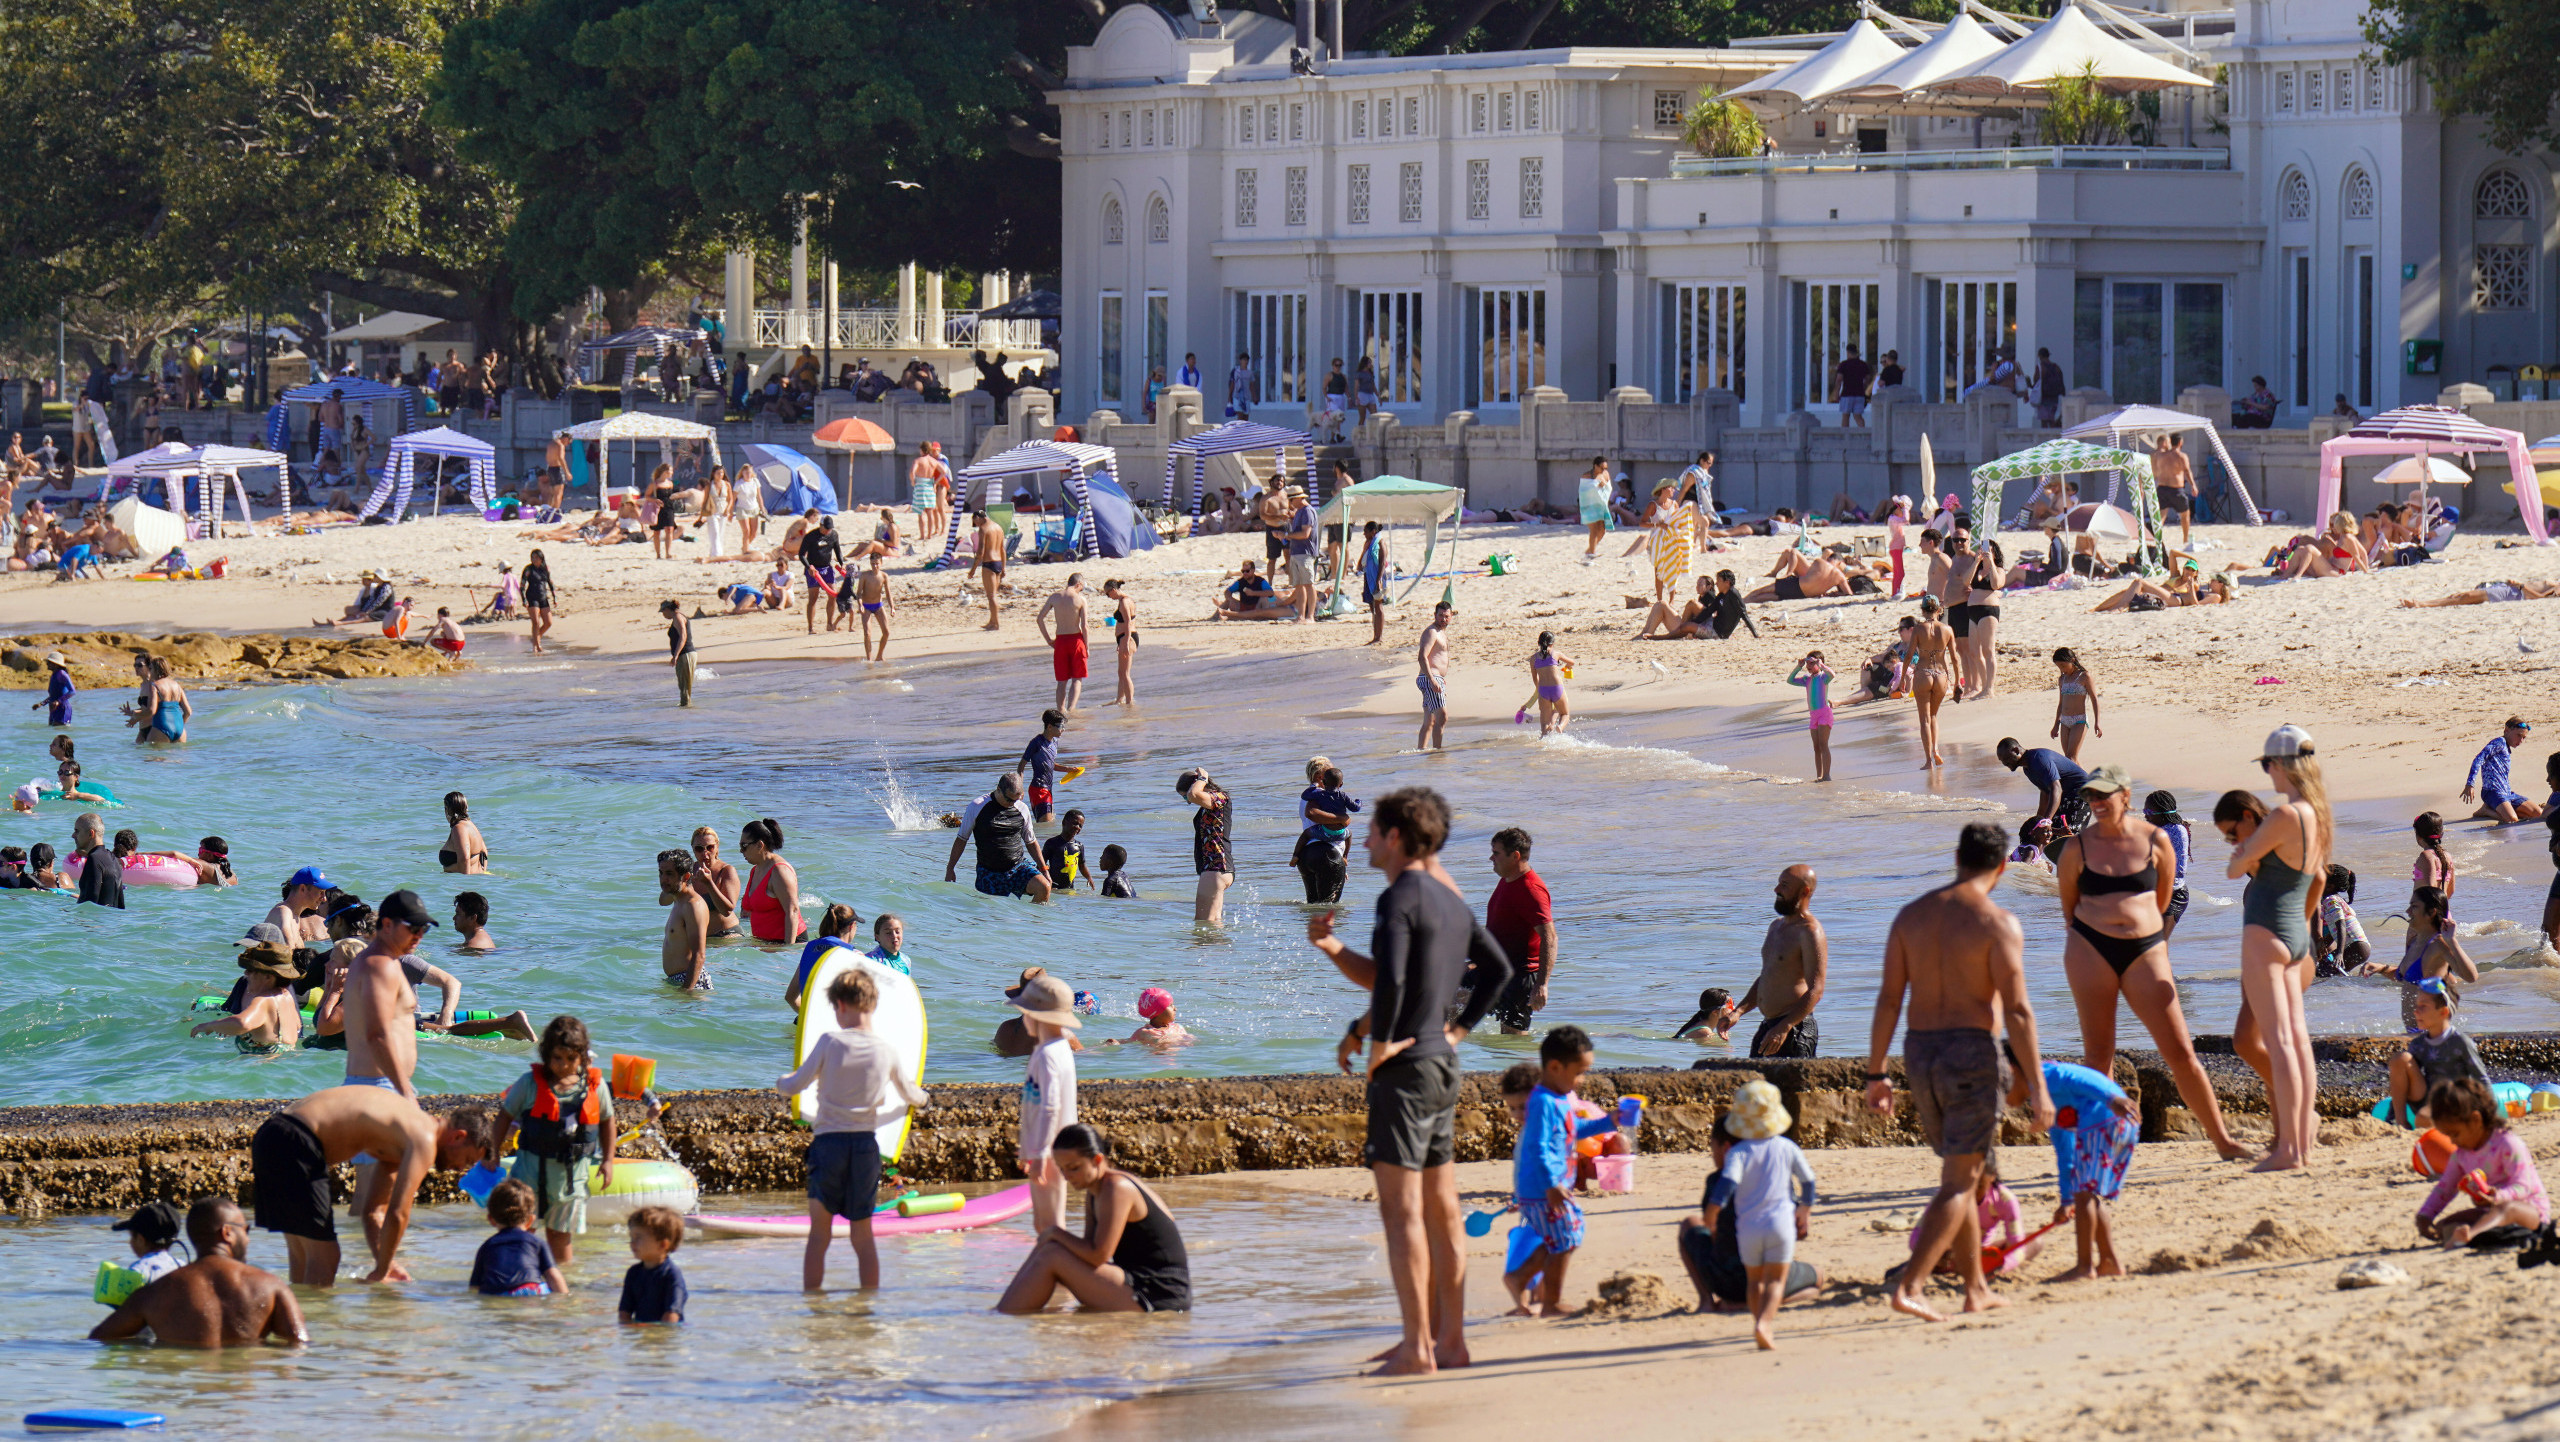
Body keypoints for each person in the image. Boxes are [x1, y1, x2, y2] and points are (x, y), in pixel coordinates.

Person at [1307, 787, 1512, 1375]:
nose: (1364, 838)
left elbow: (1393, 980)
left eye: (1371, 830)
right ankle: (1450, 1342)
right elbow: (1493, 969)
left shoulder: (1398, 896)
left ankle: (1416, 1347)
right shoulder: (1448, 900)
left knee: (1402, 1217)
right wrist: (1458, 1032)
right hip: (1441, 1065)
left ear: (1396, 837)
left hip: (1405, 1070)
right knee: (1443, 1211)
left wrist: (1377, 1046)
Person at [1865, 820, 2052, 1323]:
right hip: (1971, 1053)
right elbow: (2018, 1011)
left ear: (1956, 857)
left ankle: (1975, 1288)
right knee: (1959, 1182)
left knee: (1965, 1175)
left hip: (1919, 1052)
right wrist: (2036, 1084)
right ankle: (1911, 1285)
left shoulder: (1910, 917)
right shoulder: (1998, 923)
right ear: (2000, 867)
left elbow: (1888, 999)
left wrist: (1876, 1073)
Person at [2056, 765, 2246, 1159]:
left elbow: (2163, 900)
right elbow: (2069, 910)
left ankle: (2224, 1142)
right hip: (2090, 950)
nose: (2097, 803)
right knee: (2098, 1055)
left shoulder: (2156, 839)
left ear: (2125, 795)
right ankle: (2098, 1145)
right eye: (2092, 796)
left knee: (2179, 1052)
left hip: (2144, 949)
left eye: (2104, 795)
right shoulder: (2077, 847)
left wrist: (2137, 931)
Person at [2216, 723, 2330, 1172]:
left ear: (2281, 765)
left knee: (2282, 1046)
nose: (2267, 774)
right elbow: (2316, 878)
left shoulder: (2286, 816)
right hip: (2296, 934)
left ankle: (2289, 1150)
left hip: (2267, 932)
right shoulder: (2317, 816)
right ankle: (2298, 1146)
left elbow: (2233, 867)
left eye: (2267, 765)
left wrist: (2242, 850)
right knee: (2296, 1044)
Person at [250, 1084, 498, 1285]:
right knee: (326, 1256)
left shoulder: (402, 1136)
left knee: (303, 1254)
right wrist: (380, 1272)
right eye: (466, 1160)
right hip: (297, 1140)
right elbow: (399, 1213)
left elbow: (375, 1212)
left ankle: (298, 1331)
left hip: (272, 1136)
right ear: (458, 1136)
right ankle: (314, 1337)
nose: (459, 1169)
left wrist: (386, 1264)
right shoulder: (424, 1137)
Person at [779, 967, 931, 1290]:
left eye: (835, 1008)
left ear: (842, 1006)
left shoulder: (829, 1042)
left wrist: (781, 1083)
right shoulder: (886, 1051)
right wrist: (926, 1100)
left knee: (819, 1234)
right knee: (862, 1235)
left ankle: (813, 1305)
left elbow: (795, 1085)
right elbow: (912, 1095)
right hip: (865, 1148)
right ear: (872, 1005)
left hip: (828, 1145)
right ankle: (867, 1306)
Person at [996, 1123, 1191, 1314]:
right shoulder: (1095, 1190)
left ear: (1097, 1160)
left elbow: (1099, 1255)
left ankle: (1003, 1317)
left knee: (1052, 1254)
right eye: (1062, 1169)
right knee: (1049, 1249)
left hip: (1161, 1293)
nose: (1066, 1177)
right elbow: (1088, 1247)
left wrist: (1055, 1233)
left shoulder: (1117, 1188)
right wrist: (1050, 1239)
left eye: (1073, 1168)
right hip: (1133, 1278)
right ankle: (1004, 1310)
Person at [1502, 1029, 1622, 1317]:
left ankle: (1522, 1280)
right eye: (1579, 1072)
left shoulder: (1559, 1099)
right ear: (1555, 1067)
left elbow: (1573, 1132)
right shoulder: (1542, 1102)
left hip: (1547, 1187)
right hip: (1544, 1188)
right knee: (1567, 1236)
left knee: (1563, 1237)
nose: (1581, 1079)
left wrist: (1608, 1122)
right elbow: (1538, 1148)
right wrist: (1551, 1184)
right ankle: (1549, 1302)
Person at [90, 1198, 305, 1350]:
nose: (248, 1239)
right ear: (227, 1232)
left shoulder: (152, 1294)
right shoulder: (271, 1287)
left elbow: (98, 1339)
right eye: (246, 1231)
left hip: (187, 1401)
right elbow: (300, 1347)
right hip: (245, 1407)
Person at [495, 1015, 617, 1265]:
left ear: (582, 1057)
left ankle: (561, 1295)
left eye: (571, 1059)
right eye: (557, 1058)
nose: (563, 1066)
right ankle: (519, 1279)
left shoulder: (595, 1088)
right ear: (546, 1055)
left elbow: (607, 1121)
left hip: (570, 1183)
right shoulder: (529, 1084)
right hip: (528, 1177)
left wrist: (608, 1160)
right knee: (520, 1233)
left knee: (560, 1237)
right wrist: (492, 1152)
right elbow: (504, 1116)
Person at [1705, 1079, 1816, 1349]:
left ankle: (1757, 1321)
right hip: (1780, 1225)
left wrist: (1712, 1212)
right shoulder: (1787, 1148)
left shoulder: (1739, 1153)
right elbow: (1809, 1182)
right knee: (1776, 1279)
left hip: (1749, 1228)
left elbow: (1727, 1185)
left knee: (1755, 1281)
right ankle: (1765, 1323)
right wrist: (1804, 1210)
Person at [1679, 1116, 1823, 1317]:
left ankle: (1707, 1301)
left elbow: (1713, 1232)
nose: (1712, 1156)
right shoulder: (1776, 1180)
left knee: (1690, 1223)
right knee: (1818, 1279)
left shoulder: (1716, 1182)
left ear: (1727, 1148)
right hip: (1768, 1272)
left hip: (1724, 1282)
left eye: (1713, 1149)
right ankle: (1769, 1299)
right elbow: (1797, 1232)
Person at [2019, 1052, 2139, 1281]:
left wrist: (2111, 1099)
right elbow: (2066, 1155)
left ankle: (2084, 1267)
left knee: (2085, 1195)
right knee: (2087, 1194)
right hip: (2114, 1123)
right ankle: (2109, 1261)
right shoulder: (2049, 1105)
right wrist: (2066, 1200)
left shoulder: (2044, 1075)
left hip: (2110, 1116)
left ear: (2013, 1072)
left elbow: (2079, 1079)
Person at [2415, 1077, 2551, 1247]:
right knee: (2445, 1224)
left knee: (2506, 1209)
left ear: (2475, 1120)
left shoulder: (2507, 1144)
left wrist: (2498, 1196)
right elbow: (2445, 1188)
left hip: (2528, 1211)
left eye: (2455, 1134)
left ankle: (2470, 1235)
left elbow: (2524, 1186)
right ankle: (2472, 1234)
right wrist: (2426, 1215)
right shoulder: (2461, 1155)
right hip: (2488, 1213)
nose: (2452, 1141)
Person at [1009, 972, 1082, 1236]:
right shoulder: (1058, 1048)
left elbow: (1050, 1107)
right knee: (1045, 1222)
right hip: (1051, 1147)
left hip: (1050, 1151)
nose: (1023, 1018)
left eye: (1025, 1012)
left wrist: (1039, 1153)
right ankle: (1053, 1270)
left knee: (1049, 1222)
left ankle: (1058, 1270)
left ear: (1036, 1016)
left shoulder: (1048, 1055)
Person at [1732, 865, 1827, 1058]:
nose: (1776, 890)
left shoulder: (1809, 931)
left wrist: (1785, 1027)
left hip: (1794, 1029)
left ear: (1804, 891)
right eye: (1778, 883)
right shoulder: (1775, 927)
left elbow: (1816, 990)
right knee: (1756, 1087)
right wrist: (1738, 1011)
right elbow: (1768, 976)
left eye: (1784, 885)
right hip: (1770, 1026)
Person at [2364, 884, 2478, 1029]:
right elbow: (2406, 979)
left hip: (2430, 1034)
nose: (2407, 911)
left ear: (2431, 912)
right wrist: (2382, 968)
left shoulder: (2438, 945)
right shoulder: (2415, 942)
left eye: (2414, 906)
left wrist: (2452, 941)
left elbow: (2471, 977)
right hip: (2413, 1033)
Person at [2380, 979, 2486, 1130]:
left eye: (2423, 1006)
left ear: (2443, 1011)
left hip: (2452, 1101)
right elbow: (2402, 1085)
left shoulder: (2460, 1042)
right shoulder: (2418, 1044)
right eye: (2416, 1006)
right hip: (2426, 1099)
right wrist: (2391, 1114)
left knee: (2424, 1118)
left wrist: (2487, 1116)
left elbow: (2480, 1078)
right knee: (2401, 1059)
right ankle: (2400, 1122)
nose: (2415, 1011)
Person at [1482, 828, 1557, 1035]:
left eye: (1496, 853)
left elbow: (1549, 937)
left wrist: (1542, 984)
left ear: (1515, 856)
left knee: (1512, 1043)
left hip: (1520, 978)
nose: (1491, 858)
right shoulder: (1507, 879)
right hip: (1496, 969)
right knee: (1449, 998)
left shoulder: (1531, 889)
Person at [946, 773, 1052, 902]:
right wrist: (950, 868)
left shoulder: (1022, 809)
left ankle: (1030, 920)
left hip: (1017, 867)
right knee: (990, 916)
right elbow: (961, 839)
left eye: (1016, 800)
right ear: (998, 789)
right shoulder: (977, 806)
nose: (1012, 803)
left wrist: (1044, 868)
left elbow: (1031, 842)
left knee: (1044, 887)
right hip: (988, 872)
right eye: (1009, 799)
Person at [190, 941, 304, 1053]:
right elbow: (296, 1026)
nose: (246, 973)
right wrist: (227, 1027)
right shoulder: (286, 997)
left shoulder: (263, 1001)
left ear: (268, 977)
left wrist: (209, 1026)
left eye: (251, 970)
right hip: (286, 1062)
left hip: (263, 1064)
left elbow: (242, 1023)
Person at [469, 1179, 568, 1298]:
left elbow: (474, 1287)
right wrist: (565, 1300)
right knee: (544, 1287)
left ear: (491, 1219)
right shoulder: (537, 1242)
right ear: (531, 1220)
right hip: (529, 1290)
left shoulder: (487, 1246)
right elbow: (553, 1275)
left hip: (497, 1294)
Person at [783, 903, 865, 1011]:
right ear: (852, 926)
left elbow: (790, 997)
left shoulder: (810, 948)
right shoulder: (853, 954)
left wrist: (806, 1015)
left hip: (809, 1021)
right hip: (838, 1023)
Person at [1997, 736, 2088, 832]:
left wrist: (2047, 820)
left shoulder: (2039, 759)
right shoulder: (2027, 769)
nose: (2004, 763)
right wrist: (2038, 822)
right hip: (2066, 794)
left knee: (2070, 834)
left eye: (2006, 759)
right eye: (2001, 760)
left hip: (2081, 791)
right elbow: (2046, 794)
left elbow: (2056, 789)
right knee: (2051, 833)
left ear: (2016, 751)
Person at [1910, 598, 1960, 770]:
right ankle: (1936, 749)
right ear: (1939, 610)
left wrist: (1902, 679)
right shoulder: (1947, 629)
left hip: (1923, 673)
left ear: (1922, 610)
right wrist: (1957, 683)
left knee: (1924, 720)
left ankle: (1928, 761)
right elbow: (1954, 658)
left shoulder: (1918, 629)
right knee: (1933, 716)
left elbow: (1909, 656)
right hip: (1940, 675)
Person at [2462, 717, 2542, 824]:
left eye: (2524, 737)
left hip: (2507, 793)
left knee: (2539, 814)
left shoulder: (2507, 748)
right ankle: (2487, 810)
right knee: (2512, 820)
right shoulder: (2499, 742)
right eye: (2518, 735)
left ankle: (2504, 810)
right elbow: (2478, 759)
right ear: (2507, 730)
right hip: (2493, 792)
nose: (2521, 741)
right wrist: (2470, 784)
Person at [1178, 767, 1233, 924]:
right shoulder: (1211, 803)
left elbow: (1193, 795)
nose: (1188, 802)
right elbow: (1193, 795)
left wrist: (1202, 778)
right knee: (1214, 924)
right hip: (1216, 869)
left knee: (1202, 923)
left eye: (1184, 797)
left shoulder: (1220, 798)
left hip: (1215, 867)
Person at [739, 817, 805, 943]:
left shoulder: (779, 871)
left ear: (760, 845)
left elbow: (793, 911)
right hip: (765, 944)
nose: (741, 851)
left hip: (786, 942)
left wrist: (787, 950)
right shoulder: (755, 870)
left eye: (744, 846)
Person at [618, 1205, 688, 1323]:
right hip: (641, 1332)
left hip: (665, 1336)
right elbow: (624, 1312)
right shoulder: (633, 1273)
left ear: (663, 1245)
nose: (632, 1243)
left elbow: (672, 1316)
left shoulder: (671, 1275)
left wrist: (651, 1332)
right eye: (631, 1237)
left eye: (638, 1238)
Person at [673, 826, 742, 939]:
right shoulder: (688, 871)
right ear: (693, 850)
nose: (705, 854)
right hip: (698, 937)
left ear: (717, 847)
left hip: (727, 934)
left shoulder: (727, 871)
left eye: (710, 847)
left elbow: (727, 910)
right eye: (699, 849)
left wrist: (709, 883)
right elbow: (664, 902)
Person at [656, 850, 712, 989]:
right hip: (675, 980)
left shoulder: (693, 906)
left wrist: (686, 992)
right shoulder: (677, 898)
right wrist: (670, 883)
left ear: (686, 876)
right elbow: (662, 901)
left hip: (690, 981)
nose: (663, 879)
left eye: (669, 874)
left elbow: (699, 954)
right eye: (661, 873)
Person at [1035, 575, 1091, 711]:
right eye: (1081, 588)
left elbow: (1039, 619)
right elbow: (1084, 626)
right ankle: (1071, 709)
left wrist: (1048, 640)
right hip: (1076, 640)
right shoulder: (1080, 599)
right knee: (1077, 679)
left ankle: (1061, 711)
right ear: (1078, 584)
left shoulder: (1054, 597)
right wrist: (1087, 647)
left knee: (1061, 682)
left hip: (1060, 641)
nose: (1081, 591)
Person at [1785, 652, 1834, 782]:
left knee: (1824, 745)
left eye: (1812, 663)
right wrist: (1798, 667)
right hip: (1813, 716)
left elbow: (1832, 674)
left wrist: (1822, 665)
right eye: (1807, 663)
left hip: (1824, 713)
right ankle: (1819, 775)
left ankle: (1827, 775)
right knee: (1816, 747)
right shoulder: (1807, 679)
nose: (1809, 666)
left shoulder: (1823, 677)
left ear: (1819, 663)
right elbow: (1790, 680)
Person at [2049, 648, 2100, 762]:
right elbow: (2061, 704)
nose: (2061, 669)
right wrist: (2056, 725)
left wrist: (2097, 723)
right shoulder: (2062, 679)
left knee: (2071, 758)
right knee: (2070, 760)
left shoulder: (2084, 676)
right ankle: (2085, 780)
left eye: (2063, 665)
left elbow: (2094, 700)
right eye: (2058, 666)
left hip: (2079, 720)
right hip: (2065, 721)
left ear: (2072, 660)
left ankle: (2080, 780)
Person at [1415, 600, 1453, 751]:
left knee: (1429, 721)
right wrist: (1432, 679)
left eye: (1446, 616)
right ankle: (1438, 752)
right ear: (1435, 615)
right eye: (1440, 616)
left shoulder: (1441, 633)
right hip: (1430, 678)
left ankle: (1421, 751)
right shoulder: (1431, 632)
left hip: (1435, 678)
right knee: (1442, 716)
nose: (1443, 619)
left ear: (1451, 617)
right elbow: (1422, 656)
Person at [1522, 631, 1573, 736]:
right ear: (1552, 643)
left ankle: (1544, 740)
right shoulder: (1555, 654)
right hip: (1556, 688)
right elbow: (1572, 662)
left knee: (1545, 724)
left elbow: (1534, 678)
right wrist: (1567, 666)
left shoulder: (1533, 659)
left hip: (1543, 690)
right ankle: (1560, 727)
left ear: (1539, 643)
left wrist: (1539, 689)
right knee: (1565, 714)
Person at [70, 812, 122, 909]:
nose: (73, 835)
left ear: (91, 834)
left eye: (77, 831)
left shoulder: (94, 859)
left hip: (95, 921)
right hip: (111, 920)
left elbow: (89, 904)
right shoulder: (113, 859)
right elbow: (120, 905)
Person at [132, 657, 189, 745]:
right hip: (180, 729)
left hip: (161, 726)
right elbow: (188, 712)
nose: (149, 672)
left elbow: (151, 711)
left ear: (156, 669)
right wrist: (179, 725)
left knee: (150, 756)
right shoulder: (177, 685)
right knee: (175, 757)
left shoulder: (155, 685)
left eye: (150, 668)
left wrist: (135, 715)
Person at [2152, 436, 2196, 547]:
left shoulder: (2160, 456)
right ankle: (2185, 539)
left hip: (2162, 488)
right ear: (2180, 442)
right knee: (2185, 515)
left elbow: (2155, 471)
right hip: (2176, 489)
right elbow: (2187, 471)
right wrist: (2193, 485)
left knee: (2161, 516)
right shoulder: (2181, 456)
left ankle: (2156, 540)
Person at [1100, 578, 1138, 706]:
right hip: (1125, 638)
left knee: (1125, 673)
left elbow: (1128, 623)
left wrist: (1126, 642)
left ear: (1113, 590)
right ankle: (1119, 700)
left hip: (1128, 637)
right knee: (1121, 672)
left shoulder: (1125, 602)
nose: (1108, 596)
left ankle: (1129, 703)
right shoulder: (1126, 600)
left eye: (1107, 593)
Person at [2400, 578, 2560, 607]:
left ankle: (2422, 604)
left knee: (2466, 597)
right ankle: (2424, 602)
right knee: (2459, 595)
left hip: (2515, 594)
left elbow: (2541, 598)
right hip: (2511, 589)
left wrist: (2521, 586)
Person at [434, 790, 488, 875]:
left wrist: (464, 883)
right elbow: (484, 853)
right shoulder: (471, 826)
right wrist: (482, 873)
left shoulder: (459, 828)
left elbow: (464, 858)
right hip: (475, 880)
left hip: (462, 883)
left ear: (447, 810)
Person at [853, 553, 895, 661]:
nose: (875, 566)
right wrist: (860, 605)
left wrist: (892, 607)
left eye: (877, 564)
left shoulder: (884, 576)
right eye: (872, 564)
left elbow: (888, 593)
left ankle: (879, 656)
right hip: (866, 606)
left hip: (878, 605)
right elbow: (858, 593)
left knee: (886, 632)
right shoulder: (865, 576)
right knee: (867, 633)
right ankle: (869, 659)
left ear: (881, 563)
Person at [970, 509, 1007, 630]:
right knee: (993, 595)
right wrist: (1004, 567)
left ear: (977, 518)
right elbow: (1002, 550)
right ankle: (992, 621)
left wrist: (973, 569)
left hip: (988, 564)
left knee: (991, 596)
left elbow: (980, 552)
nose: (976, 525)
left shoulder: (983, 529)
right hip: (998, 563)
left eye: (975, 523)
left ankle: (995, 623)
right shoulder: (998, 527)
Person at [1116, 987, 1191, 1045]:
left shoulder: (1178, 1028)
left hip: (1173, 1062)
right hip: (1154, 1060)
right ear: (1159, 1011)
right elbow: (1127, 1042)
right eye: (1170, 1005)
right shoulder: (1144, 1033)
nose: (1175, 1008)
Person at [1042, 808, 1091, 894]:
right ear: (1064, 822)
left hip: (1069, 889)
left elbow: (1082, 866)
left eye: (1080, 826)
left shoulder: (1079, 846)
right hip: (1053, 887)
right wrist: (1045, 880)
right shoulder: (1052, 843)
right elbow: (1041, 863)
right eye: (1075, 823)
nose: (1077, 827)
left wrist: (1089, 878)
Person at [659, 599, 697, 707]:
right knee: (684, 687)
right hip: (685, 654)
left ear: (667, 609)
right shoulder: (677, 617)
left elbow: (683, 637)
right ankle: (685, 710)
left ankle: (686, 713)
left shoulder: (678, 617)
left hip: (685, 654)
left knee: (684, 688)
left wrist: (675, 656)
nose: (663, 615)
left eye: (663, 612)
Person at [1576, 457, 1614, 563]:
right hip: (1589, 506)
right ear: (1595, 466)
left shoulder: (1605, 474)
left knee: (1602, 530)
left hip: (1600, 505)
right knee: (1594, 530)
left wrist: (1603, 485)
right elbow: (1583, 492)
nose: (1603, 470)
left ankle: (1589, 550)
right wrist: (1596, 485)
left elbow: (1609, 488)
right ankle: (1592, 553)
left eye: (1605, 468)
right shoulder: (1586, 476)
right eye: (1601, 468)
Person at [2412, 810, 2457, 898]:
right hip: (2443, 909)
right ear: (2441, 834)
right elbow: (2451, 891)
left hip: (2430, 910)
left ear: (2418, 836)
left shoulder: (2426, 856)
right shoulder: (2447, 856)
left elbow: (2431, 889)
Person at [522, 549, 556, 654]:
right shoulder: (528, 569)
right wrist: (524, 599)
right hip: (532, 597)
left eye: (536, 557)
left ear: (541, 558)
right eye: (532, 557)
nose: (534, 559)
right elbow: (522, 585)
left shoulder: (545, 569)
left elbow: (550, 583)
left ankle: (536, 639)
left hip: (543, 597)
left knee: (548, 622)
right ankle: (537, 646)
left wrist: (555, 597)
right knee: (536, 622)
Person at [1832, 345, 1872, 426]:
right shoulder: (1863, 364)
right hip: (1859, 394)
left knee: (1846, 416)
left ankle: (1845, 436)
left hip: (1847, 394)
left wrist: (1836, 393)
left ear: (1848, 352)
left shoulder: (1844, 365)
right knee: (1858, 417)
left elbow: (1839, 379)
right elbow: (1868, 378)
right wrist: (1863, 386)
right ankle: (1862, 435)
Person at [35, 649, 74, 726]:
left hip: (62, 709)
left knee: (60, 732)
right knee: (52, 731)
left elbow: (72, 691)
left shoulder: (62, 674)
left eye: (49, 662)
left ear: (55, 664)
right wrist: (41, 704)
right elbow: (53, 696)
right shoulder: (54, 675)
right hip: (54, 709)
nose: (47, 664)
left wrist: (58, 701)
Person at [2030, 347, 2066, 427]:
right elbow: (2061, 382)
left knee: (2044, 422)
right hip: (2055, 397)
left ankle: (2046, 439)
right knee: (2052, 420)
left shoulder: (2040, 367)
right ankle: (2053, 437)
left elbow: (2036, 383)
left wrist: (2029, 384)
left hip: (2044, 397)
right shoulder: (2056, 367)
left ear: (2040, 356)